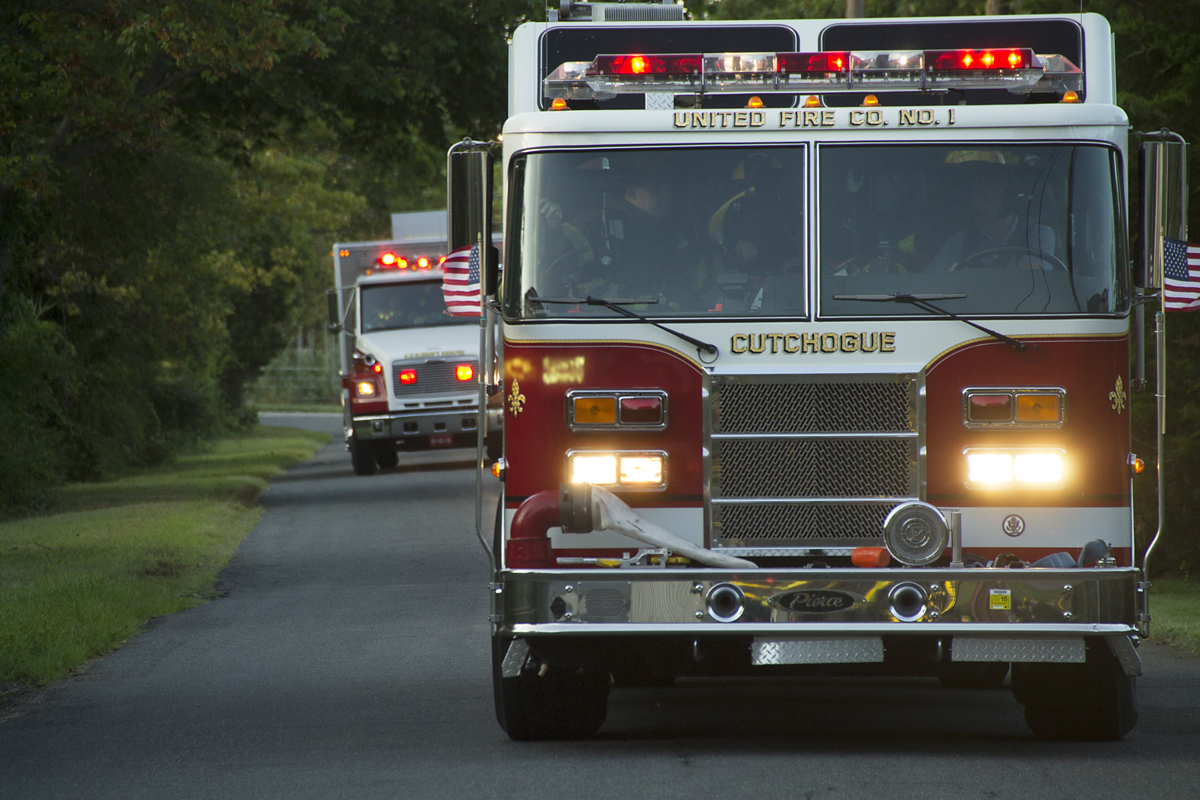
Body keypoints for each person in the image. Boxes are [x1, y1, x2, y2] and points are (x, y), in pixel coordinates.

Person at [538, 167, 711, 303]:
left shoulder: (681, 229)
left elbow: (707, 278)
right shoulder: (594, 225)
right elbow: (558, 259)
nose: (668, 196)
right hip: (607, 327)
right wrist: (552, 231)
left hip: (679, 326)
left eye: (669, 189)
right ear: (631, 193)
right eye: (656, 189)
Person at [929, 150, 1058, 273]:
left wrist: (969, 277)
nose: (976, 199)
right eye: (974, 192)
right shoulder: (961, 240)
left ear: (1009, 195)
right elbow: (933, 281)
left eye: (986, 190)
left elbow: (1027, 280)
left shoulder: (1038, 235)